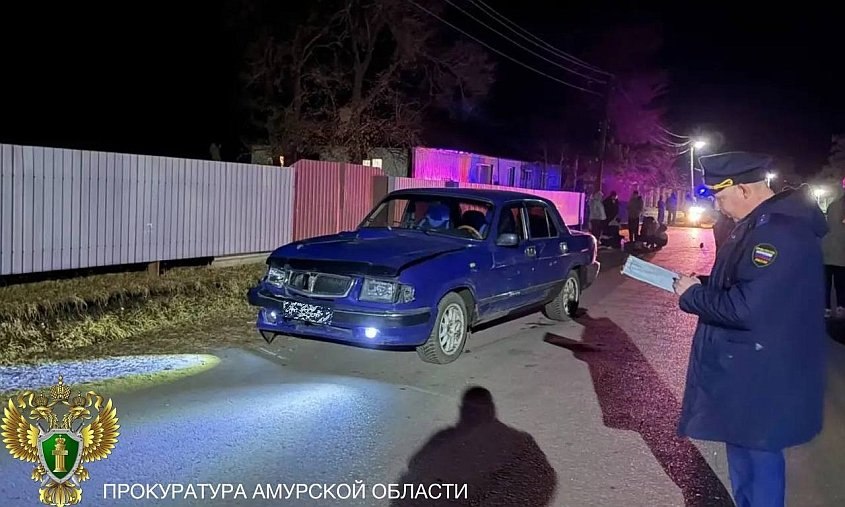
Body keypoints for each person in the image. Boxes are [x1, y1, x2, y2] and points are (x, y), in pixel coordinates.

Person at [672, 152, 827, 507]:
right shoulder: (761, 225)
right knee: (744, 451)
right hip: (752, 367)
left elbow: (747, 307)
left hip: (762, 371)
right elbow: (748, 284)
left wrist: (693, 297)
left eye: (720, 196)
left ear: (743, 190)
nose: (717, 205)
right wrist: (706, 283)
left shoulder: (775, 234)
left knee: (758, 462)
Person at [822, 178, 845, 318]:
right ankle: (841, 307)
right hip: (841, 251)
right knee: (841, 282)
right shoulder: (839, 206)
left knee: (826, 283)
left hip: (826, 249)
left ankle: (826, 308)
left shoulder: (832, 205)